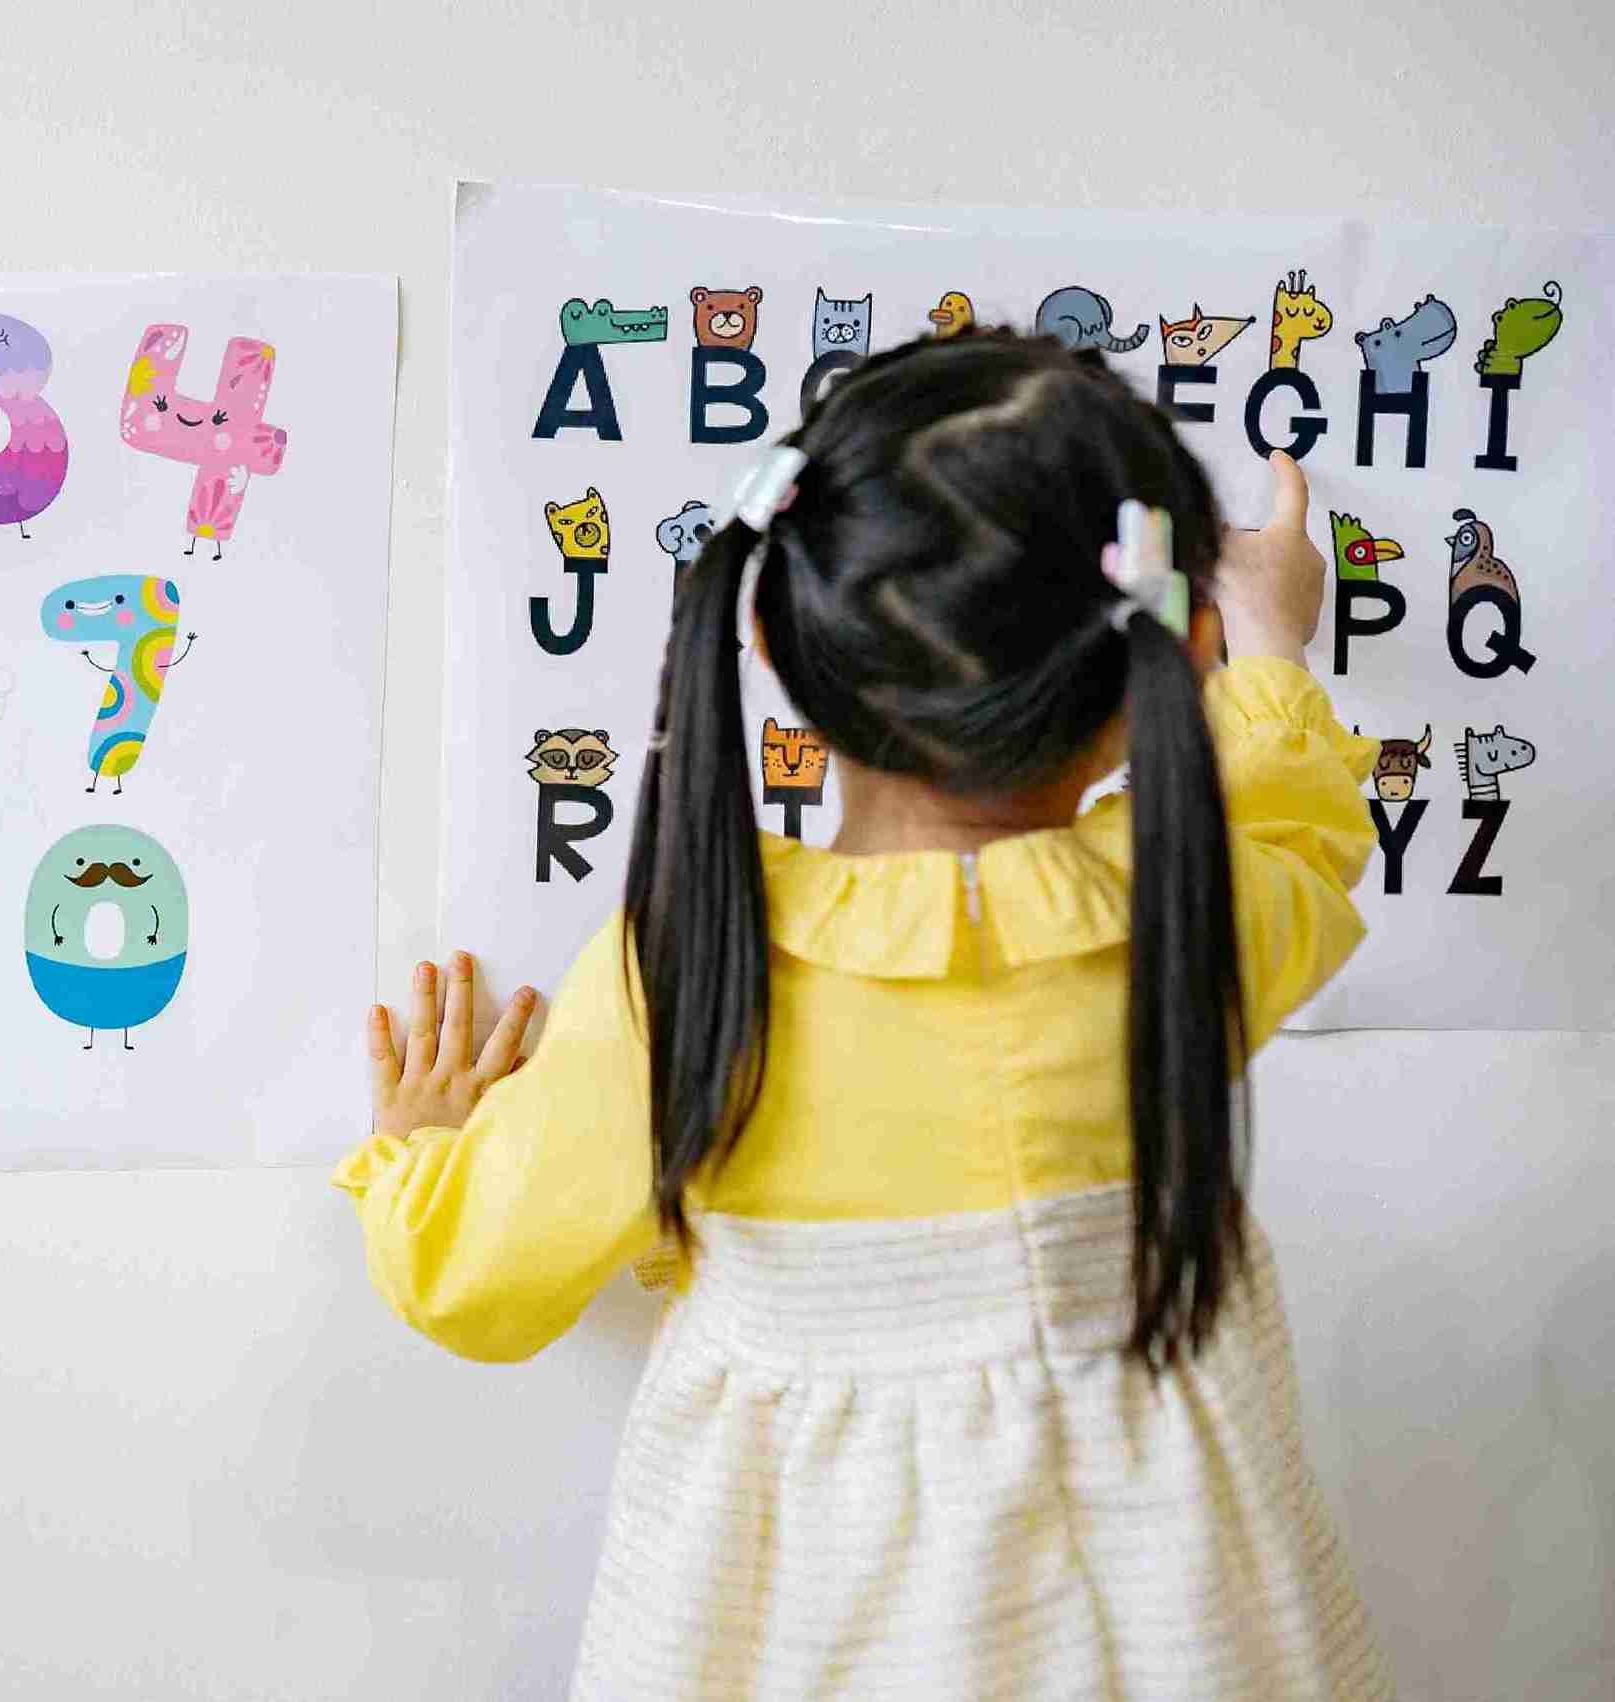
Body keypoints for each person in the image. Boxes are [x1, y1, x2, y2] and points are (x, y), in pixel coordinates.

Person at [336, 334, 1392, 1699]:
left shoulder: (695, 970)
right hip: (1176, 1625)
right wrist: (1271, 644)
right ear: (1168, 659)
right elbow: (1296, 829)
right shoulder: (1190, 913)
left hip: (804, 1631)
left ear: (771, 638)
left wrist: (418, 1152)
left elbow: (472, 1280)